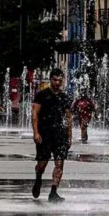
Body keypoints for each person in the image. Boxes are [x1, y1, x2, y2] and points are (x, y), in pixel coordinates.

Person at [31, 68, 73, 203]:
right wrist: (36, 132)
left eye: (60, 80)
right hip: (44, 134)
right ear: (50, 79)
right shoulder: (42, 95)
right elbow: (35, 114)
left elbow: (68, 118)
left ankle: (53, 192)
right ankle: (38, 177)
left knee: (59, 163)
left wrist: (69, 136)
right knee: (42, 163)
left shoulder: (65, 97)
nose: (57, 82)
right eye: (55, 80)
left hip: (59, 135)